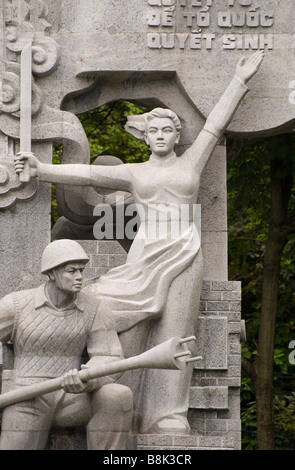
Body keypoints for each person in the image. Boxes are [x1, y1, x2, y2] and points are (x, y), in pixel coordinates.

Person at [14, 51, 264, 433]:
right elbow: (84, 172)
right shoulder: (134, 173)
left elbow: (214, 125)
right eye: (154, 131)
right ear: (145, 136)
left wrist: (239, 80)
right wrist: (42, 168)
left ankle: (168, 416)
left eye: (167, 131)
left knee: (177, 331)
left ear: (177, 136)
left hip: (184, 253)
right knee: (112, 314)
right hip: (144, 259)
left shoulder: (191, 163)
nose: (161, 136)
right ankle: (120, 407)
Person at [0, 239, 133, 450]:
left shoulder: (96, 308)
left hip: (74, 396)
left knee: (117, 395)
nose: (80, 277)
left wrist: (89, 377)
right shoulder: (16, 305)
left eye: (81, 270)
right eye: (72, 271)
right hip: (27, 395)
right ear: (51, 273)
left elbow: (110, 356)